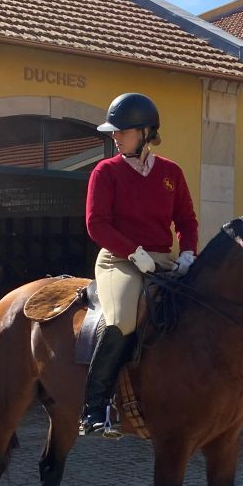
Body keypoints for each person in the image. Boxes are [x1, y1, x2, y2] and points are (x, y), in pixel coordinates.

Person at [80, 92, 198, 435]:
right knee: (122, 320)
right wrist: (135, 254)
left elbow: (187, 221)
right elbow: (96, 224)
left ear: (145, 132)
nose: (114, 136)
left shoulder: (171, 173)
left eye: (120, 131)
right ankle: (95, 407)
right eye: (114, 132)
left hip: (162, 260)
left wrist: (188, 253)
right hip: (119, 260)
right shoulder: (105, 171)